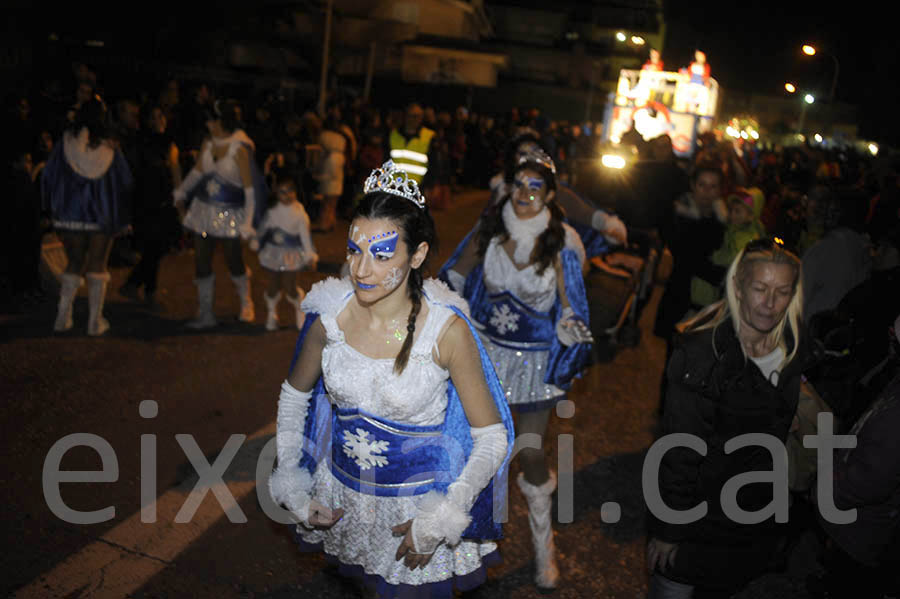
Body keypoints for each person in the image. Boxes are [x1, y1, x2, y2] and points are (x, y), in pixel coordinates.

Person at [269, 160, 514, 598]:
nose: (362, 270)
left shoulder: (446, 333)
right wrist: (293, 481)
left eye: (382, 254)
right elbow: (294, 397)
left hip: (413, 517)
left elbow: (492, 437)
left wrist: (442, 516)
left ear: (417, 255)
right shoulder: (330, 318)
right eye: (353, 249)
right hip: (343, 503)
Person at [440, 148, 593, 591]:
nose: (526, 194)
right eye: (519, 185)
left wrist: (569, 326)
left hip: (534, 366)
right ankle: (464, 546)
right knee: (475, 451)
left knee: (528, 451)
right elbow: (453, 278)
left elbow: (571, 303)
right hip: (485, 360)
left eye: (536, 186)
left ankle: (545, 547)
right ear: (507, 187)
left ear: (549, 194)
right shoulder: (488, 232)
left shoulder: (561, 240)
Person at [647, 238, 815, 598]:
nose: (770, 304)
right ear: (738, 286)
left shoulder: (793, 347)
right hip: (697, 523)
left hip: (750, 521)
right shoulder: (701, 355)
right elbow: (679, 450)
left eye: (782, 291)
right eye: (760, 288)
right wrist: (669, 530)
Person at [41, 97, 133, 335]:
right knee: (97, 264)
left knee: (74, 262)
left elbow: (49, 175)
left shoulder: (65, 143)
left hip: (70, 213)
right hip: (101, 214)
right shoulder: (111, 146)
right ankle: (94, 321)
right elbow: (125, 181)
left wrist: (50, 206)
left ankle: (62, 317)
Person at [172, 99, 267, 329]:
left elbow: (250, 190)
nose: (206, 124)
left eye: (210, 120)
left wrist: (247, 223)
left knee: (234, 259)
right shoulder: (208, 143)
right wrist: (181, 192)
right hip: (204, 211)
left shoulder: (239, 148)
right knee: (201, 259)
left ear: (220, 121)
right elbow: (197, 172)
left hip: (231, 214)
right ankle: (206, 313)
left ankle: (246, 303)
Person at [119, 106, 182, 310]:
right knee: (154, 246)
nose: (159, 120)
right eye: (154, 117)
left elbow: (174, 172)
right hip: (148, 202)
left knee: (160, 246)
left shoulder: (167, 143)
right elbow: (142, 172)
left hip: (164, 201)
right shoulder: (143, 143)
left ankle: (135, 284)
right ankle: (147, 291)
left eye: (161, 115)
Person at [249, 171, 317, 331]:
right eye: (282, 192)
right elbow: (263, 229)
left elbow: (305, 236)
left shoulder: (300, 214)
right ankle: (272, 313)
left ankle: (300, 309)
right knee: (272, 285)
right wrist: (256, 241)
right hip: (274, 253)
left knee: (289, 286)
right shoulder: (272, 213)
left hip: (291, 254)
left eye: (290, 191)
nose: (287, 196)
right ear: (276, 193)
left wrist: (309, 254)